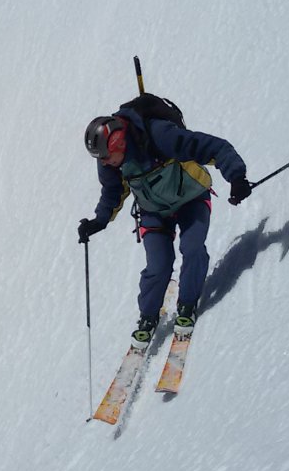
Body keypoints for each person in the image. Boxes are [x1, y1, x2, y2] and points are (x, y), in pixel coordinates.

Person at [77, 98, 251, 343]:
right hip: (153, 210)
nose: (103, 162)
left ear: (118, 143)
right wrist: (99, 221)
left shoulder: (160, 136)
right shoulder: (108, 161)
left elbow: (213, 147)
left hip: (191, 197)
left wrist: (237, 177)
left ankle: (188, 304)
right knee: (158, 265)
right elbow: (113, 192)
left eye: (106, 157)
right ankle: (148, 316)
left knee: (192, 249)